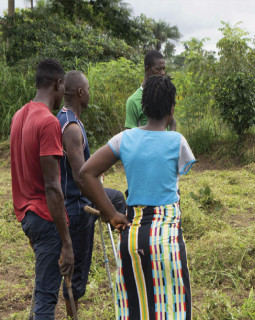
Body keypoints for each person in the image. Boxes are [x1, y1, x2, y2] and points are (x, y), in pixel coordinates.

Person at [79, 75, 196, 319]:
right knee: (171, 308)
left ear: (142, 106)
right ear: (172, 108)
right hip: (167, 240)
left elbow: (86, 173)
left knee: (136, 307)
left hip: (132, 237)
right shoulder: (178, 141)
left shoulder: (123, 139)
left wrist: (111, 213)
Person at [57, 70, 127, 318]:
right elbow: (79, 177)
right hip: (77, 205)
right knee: (76, 277)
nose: (89, 93)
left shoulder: (66, 118)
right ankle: (72, 313)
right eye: (87, 89)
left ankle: (126, 247)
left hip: (75, 197)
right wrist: (106, 209)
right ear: (79, 92)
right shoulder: (72, 128)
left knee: (117, 197)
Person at [10, 58, 74, 319]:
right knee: (46, 301)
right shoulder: (48, 122)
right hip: (46, 222)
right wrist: (67, 242)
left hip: (27, 217)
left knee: (41, 293)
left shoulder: (19, 116)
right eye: (63, 90)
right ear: (58, 85)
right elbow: (52, 187)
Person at [125, 50, 176, 131]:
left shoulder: (165, 93)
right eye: (158, 69)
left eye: (163, 69)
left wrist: (173, 139)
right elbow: (129, 135)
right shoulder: (133, 101)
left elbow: (172, 121)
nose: (162, 73)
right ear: (147, 69)